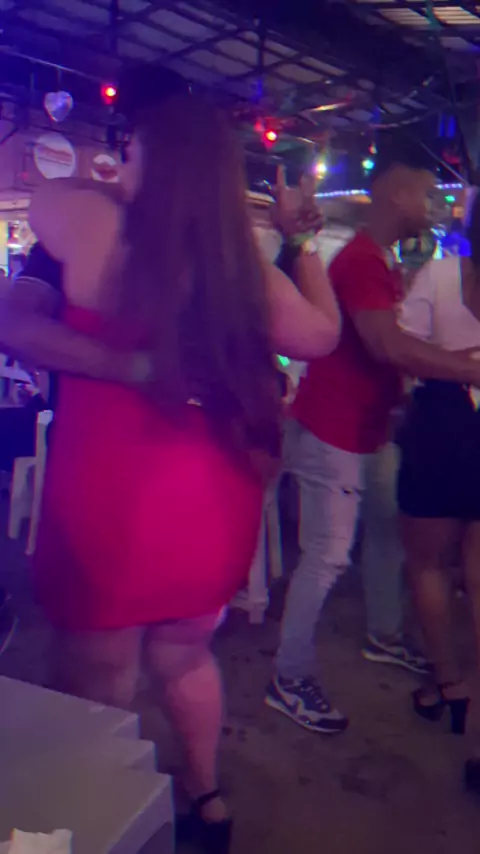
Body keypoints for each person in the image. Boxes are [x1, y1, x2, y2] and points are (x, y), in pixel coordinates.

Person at [0, 93, 340, 853]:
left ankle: (87, 825)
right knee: (186, 655)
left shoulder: (87, 224)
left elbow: (31, 264)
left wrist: (107, 181)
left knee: (98, 679)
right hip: (212, 500)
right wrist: (302, 241)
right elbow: (321, 336)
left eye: (132, 149)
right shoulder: (241, 266)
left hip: (112, 498)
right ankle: (208, 802)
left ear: (147, 156)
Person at [265, 143, 480, 735]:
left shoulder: (379, 260)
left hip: (368, 427)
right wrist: (466, 369)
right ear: (394, 193)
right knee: (328, 556)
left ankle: (384, 635)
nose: (433, 204)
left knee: (389, 534)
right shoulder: (362, 261)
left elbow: (391, 351)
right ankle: (289, 675)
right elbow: (387, 346)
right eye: (425, 193)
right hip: (333, 427)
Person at [397, 189, 480, 740]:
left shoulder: (440, 273)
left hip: (442, 421)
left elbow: (403, 351)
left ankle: (449, 683)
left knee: (427, 565)